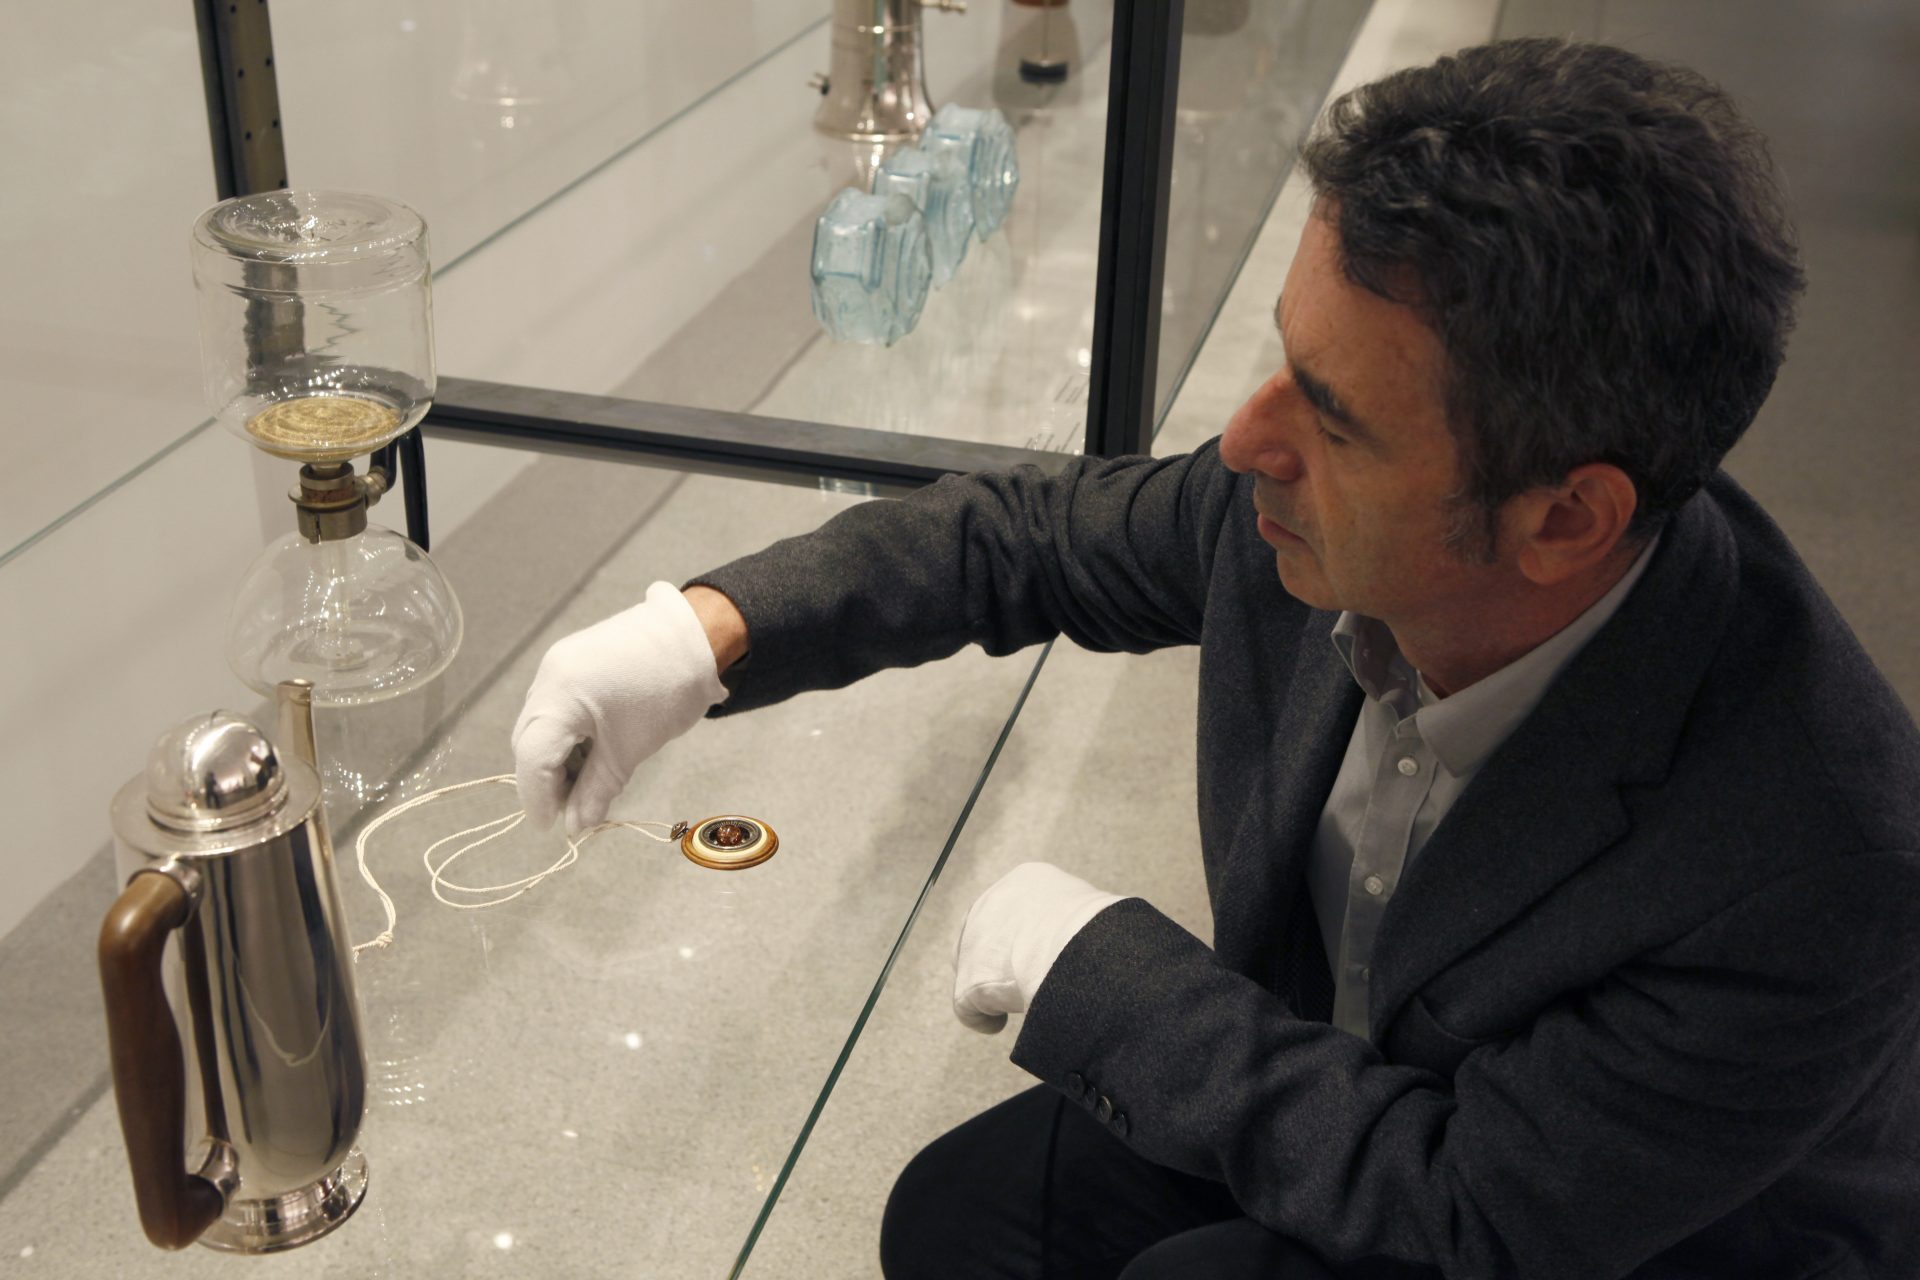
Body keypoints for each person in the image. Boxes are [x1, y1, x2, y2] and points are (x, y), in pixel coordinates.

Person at [510, 37, 1920, 1279]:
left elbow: (1476, 1215)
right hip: (1362, 1091)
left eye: (1335, 415)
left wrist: (1109, 973)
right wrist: (701, 634)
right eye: (1281, 358)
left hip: (1622, 1235)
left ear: (1565, 517)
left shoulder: (1819, 858)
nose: (1245, 442)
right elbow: (1029, 538)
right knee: (965, 1221)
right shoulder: (1309, 515)